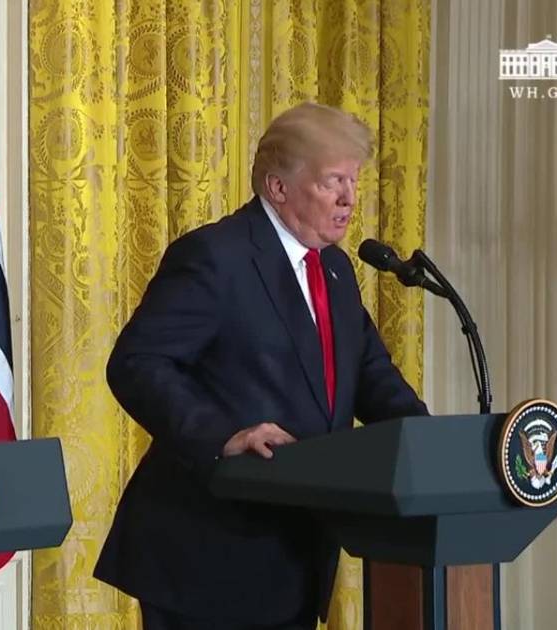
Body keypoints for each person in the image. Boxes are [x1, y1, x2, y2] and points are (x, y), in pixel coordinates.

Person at [94, 103, 430, 630]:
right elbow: (137, 363)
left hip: (294, 552)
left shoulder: (334, 269)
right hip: (206, 556)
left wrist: (432, 445)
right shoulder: (216, 256)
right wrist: (223, 435)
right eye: (333, 182)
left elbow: (371, 375)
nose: (349, 198)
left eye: (353, 181)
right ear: (278, 187)